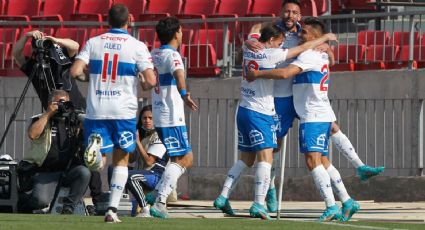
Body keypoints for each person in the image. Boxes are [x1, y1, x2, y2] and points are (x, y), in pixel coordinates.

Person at [245, 0, 384, 212]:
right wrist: (249, 40)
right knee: (274, 145)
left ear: (299, 16)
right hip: (280, 96)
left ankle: (358, 169)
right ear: (281, 13)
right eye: (287, 11)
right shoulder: (273, 28)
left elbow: (329, 56)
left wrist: (327, 49)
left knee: (331, 128)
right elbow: (255, 29)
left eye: (294, 12)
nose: (290, 15)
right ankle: (270, 189)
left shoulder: (305, 32)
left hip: (300, 90)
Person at [213, 23, 337, 219]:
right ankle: (258, 203)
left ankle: (223, 196)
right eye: (279, 43)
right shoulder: (271, 54)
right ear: (270, 41)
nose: (281, 46)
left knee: (246, 158)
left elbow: (254, 29)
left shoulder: (251, 47)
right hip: (261, 112)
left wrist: (247, 40)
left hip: (243, 109)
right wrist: (326, 38)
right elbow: (302, 49)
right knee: (266, 159)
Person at [70, 4, 157, 223]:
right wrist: (142, 82)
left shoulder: (93, 42)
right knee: (122, 160)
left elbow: (75, 71)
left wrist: (90, 79)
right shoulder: (137, 46)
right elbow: (151, 81)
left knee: (100, 163)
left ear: (106, 21)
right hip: (122, 111)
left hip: (97, 108)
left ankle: (96, 151)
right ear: (129, 20)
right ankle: (112, 210)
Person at [147, 17, 198, 219]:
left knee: (176, 158)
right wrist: (185, 94)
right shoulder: (173, 55)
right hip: (171, 116)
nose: (182, 33)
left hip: (160, 114)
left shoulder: (154, 53)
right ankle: (160, 201)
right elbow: (179, 75)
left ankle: (156, 193)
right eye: (181, 30)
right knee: (186, 158)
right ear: (176, 32)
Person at [17, 90, 91, 214]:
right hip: (46, 172)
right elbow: (32, 134)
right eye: (59, 103)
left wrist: (83, 127)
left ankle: (69, 207)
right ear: (50, 103)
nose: (62, 106)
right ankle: (22, 204)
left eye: (66, 103)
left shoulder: (73, 121)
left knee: (84, 172)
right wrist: (48, 113)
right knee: (40, 201)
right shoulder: (40, 118)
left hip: (68, 170)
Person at [12, 29, 86, 110]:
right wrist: (26, 36)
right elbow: (16, 54)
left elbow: (75, 46)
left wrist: (56, 40)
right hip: (53, 112)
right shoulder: (33, 66)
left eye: (45, 43)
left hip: (78, 107)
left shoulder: (63, 56)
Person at [126, 105, 169, 217]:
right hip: (140, 172)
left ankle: (145, 208)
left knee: (128, 176)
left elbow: (149, 162)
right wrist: (131, 143)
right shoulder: (140, 134)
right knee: (114, 170)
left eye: (150, 118)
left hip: (155, 176)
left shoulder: (160, 135)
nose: (147, 121)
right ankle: (113, 207)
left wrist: (138, 142)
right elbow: (131, 159)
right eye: (144, 118)